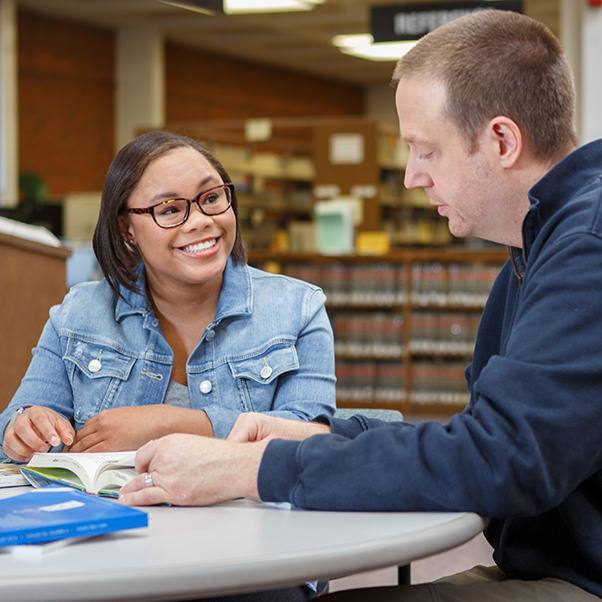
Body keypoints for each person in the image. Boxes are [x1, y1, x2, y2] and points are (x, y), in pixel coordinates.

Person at [120, 10, 602, 601]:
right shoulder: (538, 247)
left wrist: (250, 468)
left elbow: (505, 459)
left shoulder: (586, 250)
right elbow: (490, 437)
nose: (410, 178)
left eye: (425, 151)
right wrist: (319, 440)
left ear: (501, 140)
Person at [0, 131, 336, 466]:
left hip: (249, 518)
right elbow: (15, 429)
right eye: (170, 209)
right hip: (115, 514)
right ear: (126, 228)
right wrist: (24, 428)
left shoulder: (299, 310)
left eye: (211, 198)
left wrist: (165, 424)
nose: (201, 221)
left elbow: (311, 441)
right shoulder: (79, 313)